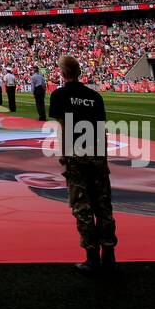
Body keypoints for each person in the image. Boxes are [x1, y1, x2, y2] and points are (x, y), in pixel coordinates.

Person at [47, 54, 117, 274]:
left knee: (82, 207)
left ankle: (91, 258)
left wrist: (63, 154)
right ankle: (109, 255)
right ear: (79, 72)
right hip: (96, 154)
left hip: (76, 156)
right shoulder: (94, 97)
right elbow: (101, 130)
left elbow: (62, 127)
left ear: (62, 73)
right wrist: (103, 158)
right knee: (103, 206)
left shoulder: (59, 95)